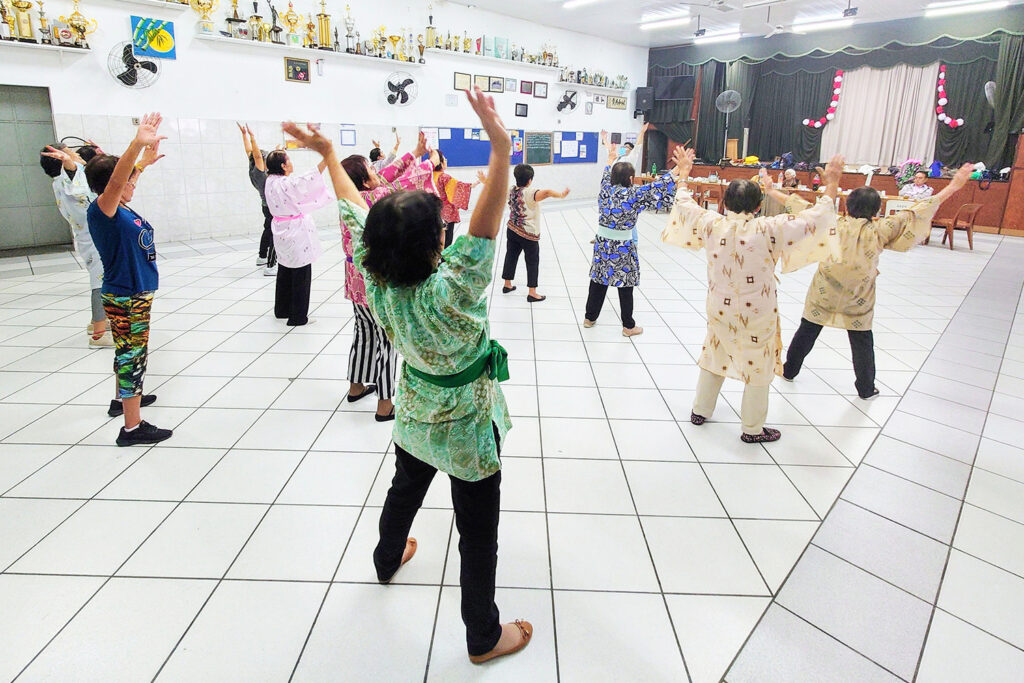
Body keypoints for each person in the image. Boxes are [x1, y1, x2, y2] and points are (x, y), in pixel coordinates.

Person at [282, 86, 532, 665]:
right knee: (476, 534)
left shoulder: (375, 282)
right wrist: (499, 146)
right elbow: (487, 223)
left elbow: (351, 208)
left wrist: (325, 152)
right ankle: (482, 636)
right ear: (436, 241)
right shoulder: (455, 288)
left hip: (416, 409)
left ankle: (386, 558)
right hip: (468, 424)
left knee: (404, 490)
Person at [661, 147, 844, 443]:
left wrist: (684, 174)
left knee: (715, 350)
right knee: (758, 363)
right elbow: (816, 216)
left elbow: (684, 203)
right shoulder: (770, 228)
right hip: (757, 310)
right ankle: (752, 429)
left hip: (718, 305)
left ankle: (700, 410)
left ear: (724, 203)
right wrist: (832, 183)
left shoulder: (711, 223)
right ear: (758, 206)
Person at [778, 163, 974, 398]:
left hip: (825, 291)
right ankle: (865, 387)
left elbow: (805, 207)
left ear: (848, 207)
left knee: (808, 329)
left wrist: (771, 189)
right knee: (861, 341)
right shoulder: (882, 229)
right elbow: (917, 210)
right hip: (859, 296)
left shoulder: (834, 224)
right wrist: (953, 186)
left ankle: (789, 370)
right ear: (876, 211)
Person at [339, 131, 438, 422]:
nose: (377, 171)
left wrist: (413, 151)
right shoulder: (377, 197)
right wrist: (428, 161)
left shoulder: (350, 198)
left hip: (354, 282)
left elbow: (389, 174)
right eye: (371, 170)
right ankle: (385, 403)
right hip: (373, 282)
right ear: (364, 180)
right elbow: (403, 184)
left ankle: (356, 387)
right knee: (385, 341)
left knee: (362, 334)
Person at [85, 113, 169, 446]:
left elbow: (123, 181)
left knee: (127, 351)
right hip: (127, 294)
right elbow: (118, 182)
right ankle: (132, 428)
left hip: (133, 291)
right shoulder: (103, 208)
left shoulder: (118, 207)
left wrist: (142, 164)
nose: (133, 183)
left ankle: (121, 402)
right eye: (129, 180)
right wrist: (136, 144)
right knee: (132, 355)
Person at [583, 140, 678, 337]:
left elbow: (605, 174)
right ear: (631, 178)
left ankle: (589, 318)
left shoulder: (605, 190)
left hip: (602, 244)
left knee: (598, 280)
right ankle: (628, 326)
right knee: (625, 284)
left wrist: (610, 158)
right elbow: (658, 186)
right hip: (623, 246)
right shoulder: (634, 194)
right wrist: (679, 170)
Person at [40, 143, 111, 347]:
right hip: (94, 239)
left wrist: (97, 153)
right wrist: (71, 164)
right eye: (70, 152)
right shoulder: (70, 177)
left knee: (101, 279)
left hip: (87, 237)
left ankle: (97, 322)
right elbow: (80, 183)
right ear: (62, 159)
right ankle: (98, 333)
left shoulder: (61, 180)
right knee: (99, 283)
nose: (76, 154)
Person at [263, 145, 332, 327]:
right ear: (284, 166)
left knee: (284, 270)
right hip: (295, 232)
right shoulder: (286, 184)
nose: (291, 163)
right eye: (289, 160)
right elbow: (308, 178)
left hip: (280, 228)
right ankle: (298, 317)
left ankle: (282, 310)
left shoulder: (269, 181)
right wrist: (326, 158)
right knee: (301, 273)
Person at [501, 164, 568, 303]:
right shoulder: (531, 193)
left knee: (511, 255)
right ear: (530, 180)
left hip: (512, 229)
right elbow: (548, 192)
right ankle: (532, 292)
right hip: (528, 233)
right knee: (532, 261)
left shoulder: (511, 190)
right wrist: (561, 195)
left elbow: (494, 186)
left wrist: (484, 180)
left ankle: (507, 284)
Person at [238, 122, 277, 276]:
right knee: (273, 232)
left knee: (267, 230)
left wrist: (244, 135)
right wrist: (253, 137)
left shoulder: (253, 168)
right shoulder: (260, 173)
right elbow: (255, 153)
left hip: (265, 206)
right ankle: (270, 265)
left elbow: (248, 151)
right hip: (271, 206)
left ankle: (262, 256)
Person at [433, 150, 485, 248]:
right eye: (444, 159)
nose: (446, 160)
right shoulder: (444, 177)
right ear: (440, 163)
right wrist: (472, 185)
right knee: (447, 240)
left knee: (435, 238)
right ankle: (444, 260)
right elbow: (458, 188)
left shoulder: (430, 175)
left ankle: (436, 260)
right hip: (446, 213)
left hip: (432, 210)